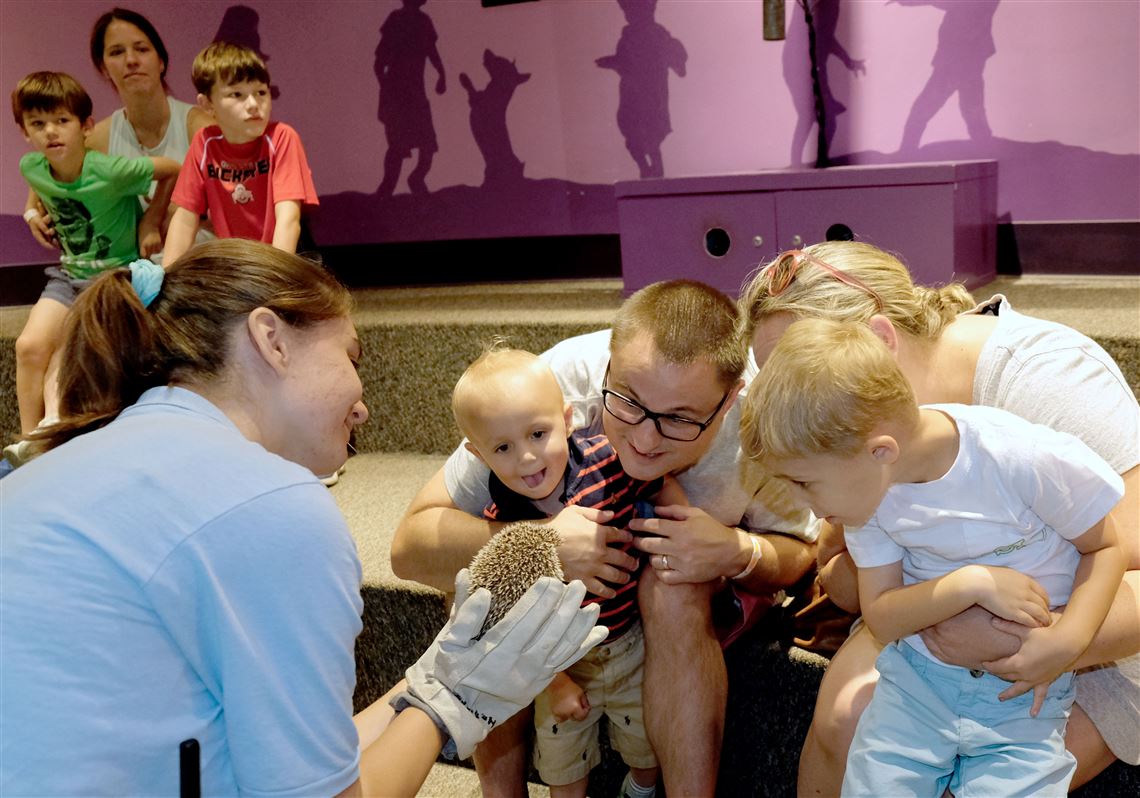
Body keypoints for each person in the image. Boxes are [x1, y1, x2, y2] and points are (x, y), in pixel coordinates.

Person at [0, 238, 607, 796]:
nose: (363, 406)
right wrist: (456, 700)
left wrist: (433, 677)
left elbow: (302, 766)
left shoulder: (73, 463)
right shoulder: (273, 505)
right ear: (271, 339)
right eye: (351, 357)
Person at [739, 243, 1140, 795]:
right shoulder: (857, 458)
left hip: (1088, 632)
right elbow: (846, 578)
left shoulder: (1040, 382)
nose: (786, 409)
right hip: (931, 622)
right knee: (843, 722)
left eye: (798, 381)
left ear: (878, 341)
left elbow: (1121, 545)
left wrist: (1033, 639)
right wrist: (940, 599)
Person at [392, 279, 818, 796]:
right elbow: (410, 548)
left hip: (669, 602)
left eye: (679, 419)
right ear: (608, 368)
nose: (644, 439)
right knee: (485, 581)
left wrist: (738, 550)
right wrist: (542, 543)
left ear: (729, 400)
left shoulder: (764, 423)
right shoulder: (553, 384)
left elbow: (801, 555)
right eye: (629, 402)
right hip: (565, 610)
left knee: (674, 583)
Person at [453, 345, 688, 798]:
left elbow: (660, 486)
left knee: (646, 744)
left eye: (538, 433)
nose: (527, 458)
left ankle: (639, 789)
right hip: (553, 661)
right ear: (478, 455)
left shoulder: (608, 460)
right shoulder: (503, 517)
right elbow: (508, 616)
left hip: (628, 641)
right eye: (503, 447)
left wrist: (681, 530)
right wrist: (555, 683)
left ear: (567, 419)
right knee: (562, 762)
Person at [9, 71, 180, 445]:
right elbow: (37, 182)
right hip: (68, 275)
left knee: (68, 350)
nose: (51, 132)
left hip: (112, 278)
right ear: (24, 132)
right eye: (38, 124)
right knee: (28, 347)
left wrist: (151, 221)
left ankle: (55, 431)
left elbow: (171, 169)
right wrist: (32, 213)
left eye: (62, 121)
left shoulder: (111, 170)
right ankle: (27, 443)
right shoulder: (32, 166)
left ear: (85, 126)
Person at [21, 7, 213, 260]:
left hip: (200, 265)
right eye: (117, 52)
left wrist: (153, 218)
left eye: (141, 49)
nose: (131, 60)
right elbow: (50, 163)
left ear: (161, 61)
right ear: (103, 68)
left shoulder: (202, 128)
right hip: (130, 270)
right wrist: (31, 210)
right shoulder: (98, 136)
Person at [162, 41, 318, 266]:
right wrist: (166, 274)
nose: (254, 104)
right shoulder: (205, 143)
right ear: (207, 104)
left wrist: (273, 277)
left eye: (261, 92)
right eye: (237, 94)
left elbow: (288, 220)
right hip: (240, 263)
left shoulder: (282, 138)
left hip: (286, 259)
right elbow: (185, 218)